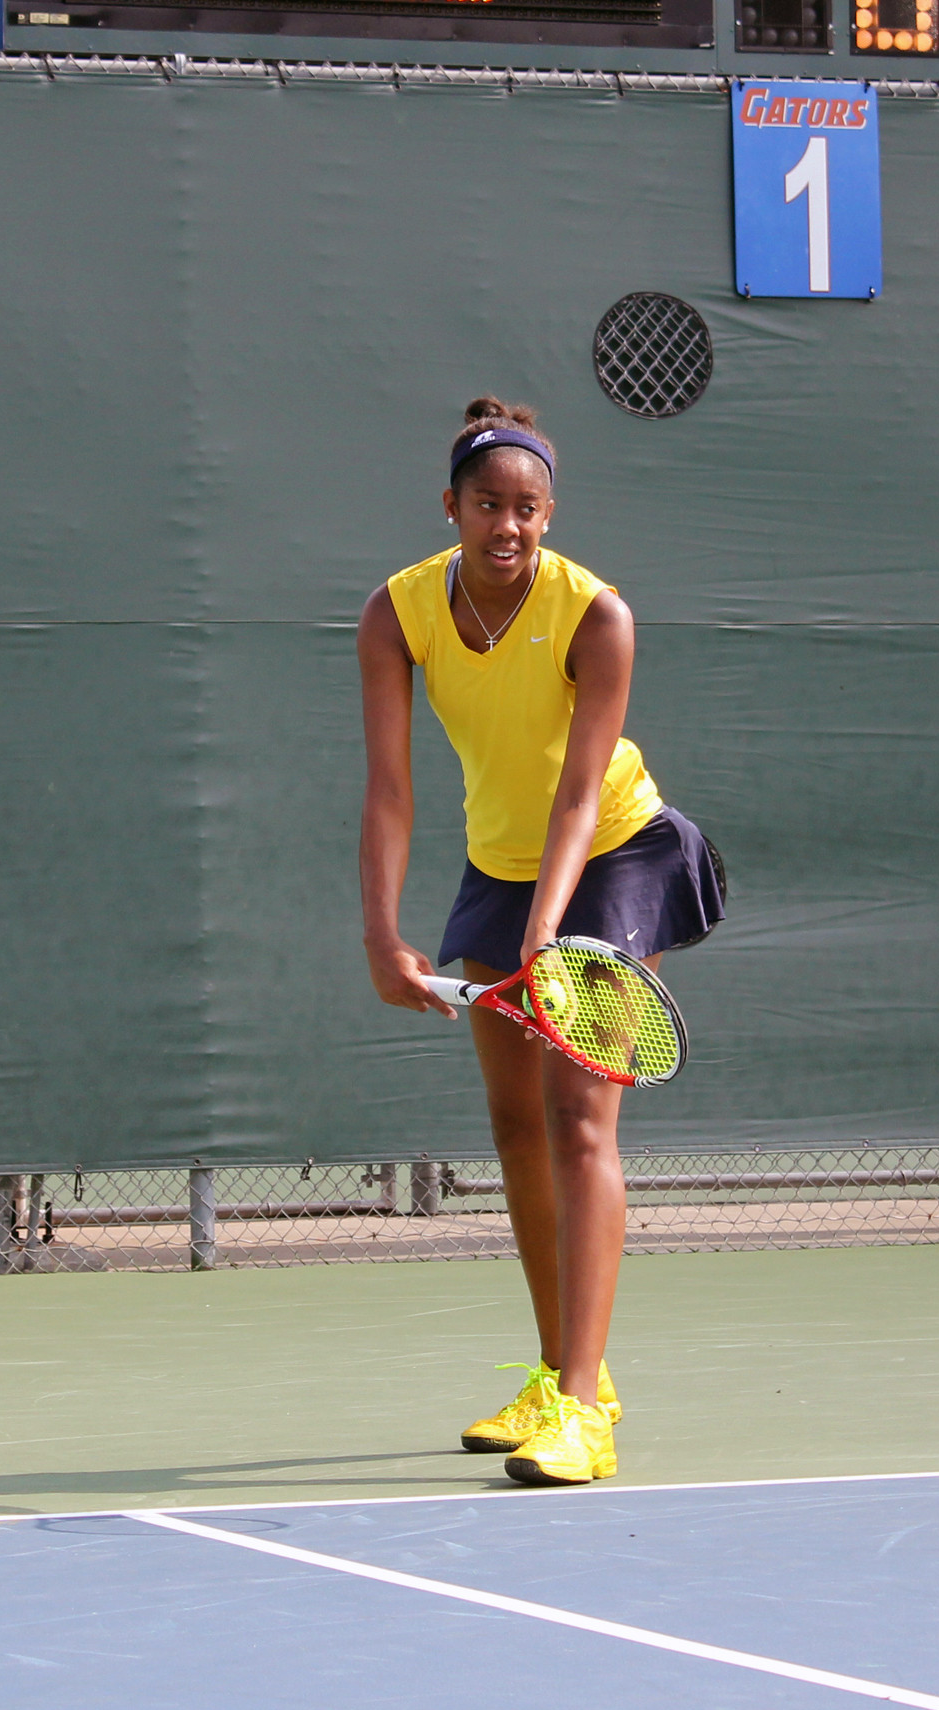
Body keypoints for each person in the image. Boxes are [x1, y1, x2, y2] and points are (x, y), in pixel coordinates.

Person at [357, 397, 724, 1486]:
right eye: (487, 506)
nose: (507, 527)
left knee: (577, 1120)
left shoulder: (594, 616)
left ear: (549, 513)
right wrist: (383, 933)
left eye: (527, 510)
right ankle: (571, 1370)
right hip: (499, 866)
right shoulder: (398, 613)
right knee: (514, 1125)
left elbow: (576, 794)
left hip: (614, 855)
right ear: (452, 507)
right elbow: (388, 791)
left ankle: (584, 1408)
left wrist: (546, 933)